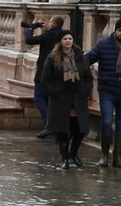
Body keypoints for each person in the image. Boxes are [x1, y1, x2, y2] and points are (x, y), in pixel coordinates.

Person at [43, 31, 93, 169]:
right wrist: (55, 92)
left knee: (80, 129)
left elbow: (88, 76)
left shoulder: (80, 56)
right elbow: (45, 80)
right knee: (62, 130)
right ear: (60, 41)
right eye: (65, 39)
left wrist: (85, 91)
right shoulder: (53, 58)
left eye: (70, 38)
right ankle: (65, 158)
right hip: (60, 100)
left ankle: (73, 153)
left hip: (78, 98)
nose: (68, 41)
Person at [82, 19, 121, 167]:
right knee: (106, 122)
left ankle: (117, 157)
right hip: (107, 90)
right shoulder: (104, 44)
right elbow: (87, 60)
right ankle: (104, 155)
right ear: (115, 31)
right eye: (120, 31)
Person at [25, 15, 66, 139]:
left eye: (50, 21)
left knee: (38, 97)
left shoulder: (48, 35)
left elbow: (29, 40)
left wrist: (31, 28)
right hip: (58, 73)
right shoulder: (62, 35)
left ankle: (50, 123)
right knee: (49, 99)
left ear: (53, 23)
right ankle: (49, 125)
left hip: (44, 71)